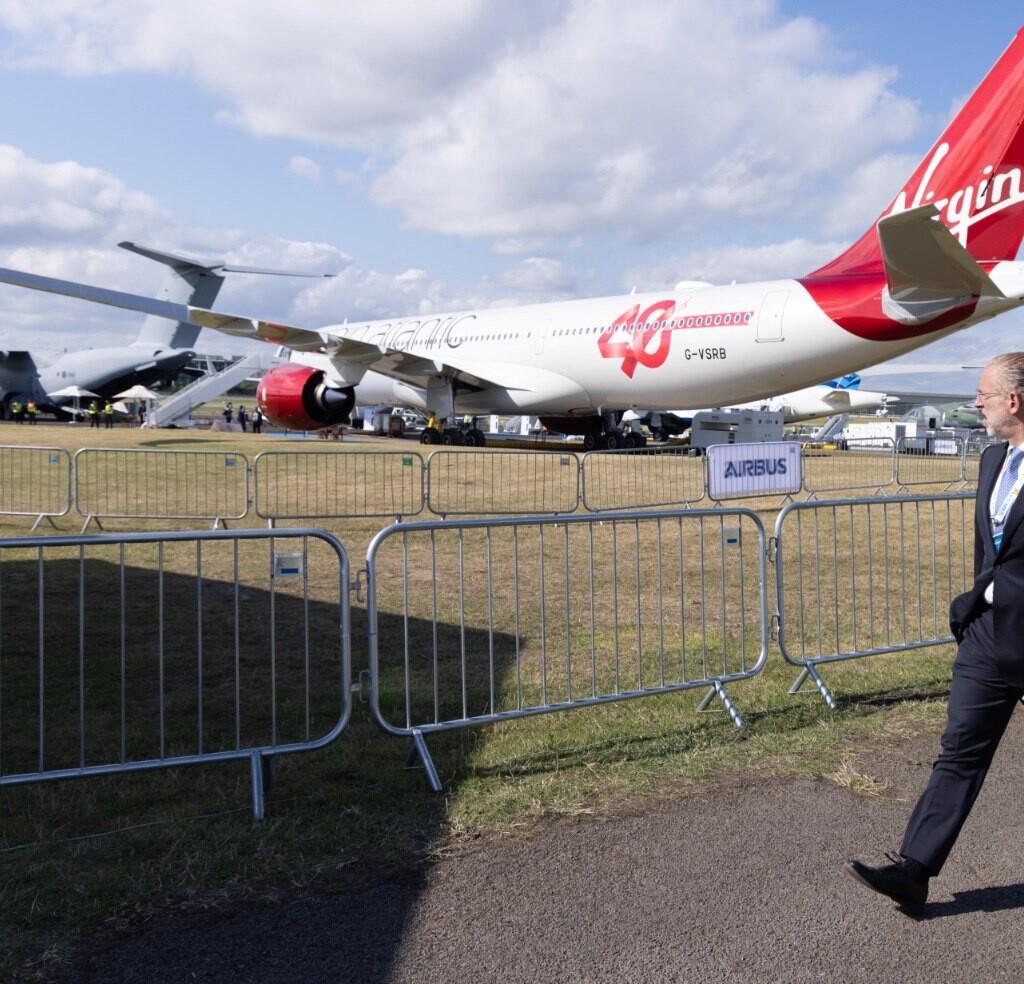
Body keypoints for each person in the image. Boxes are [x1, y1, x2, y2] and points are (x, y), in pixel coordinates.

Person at [847, 352, 1024, 911]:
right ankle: (914, 870)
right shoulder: (994, 461)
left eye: (985, 395)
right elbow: (989, 551)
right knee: (958, 753)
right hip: (989, 637)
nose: (977, 404)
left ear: (1014, 402)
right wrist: (974, 606)